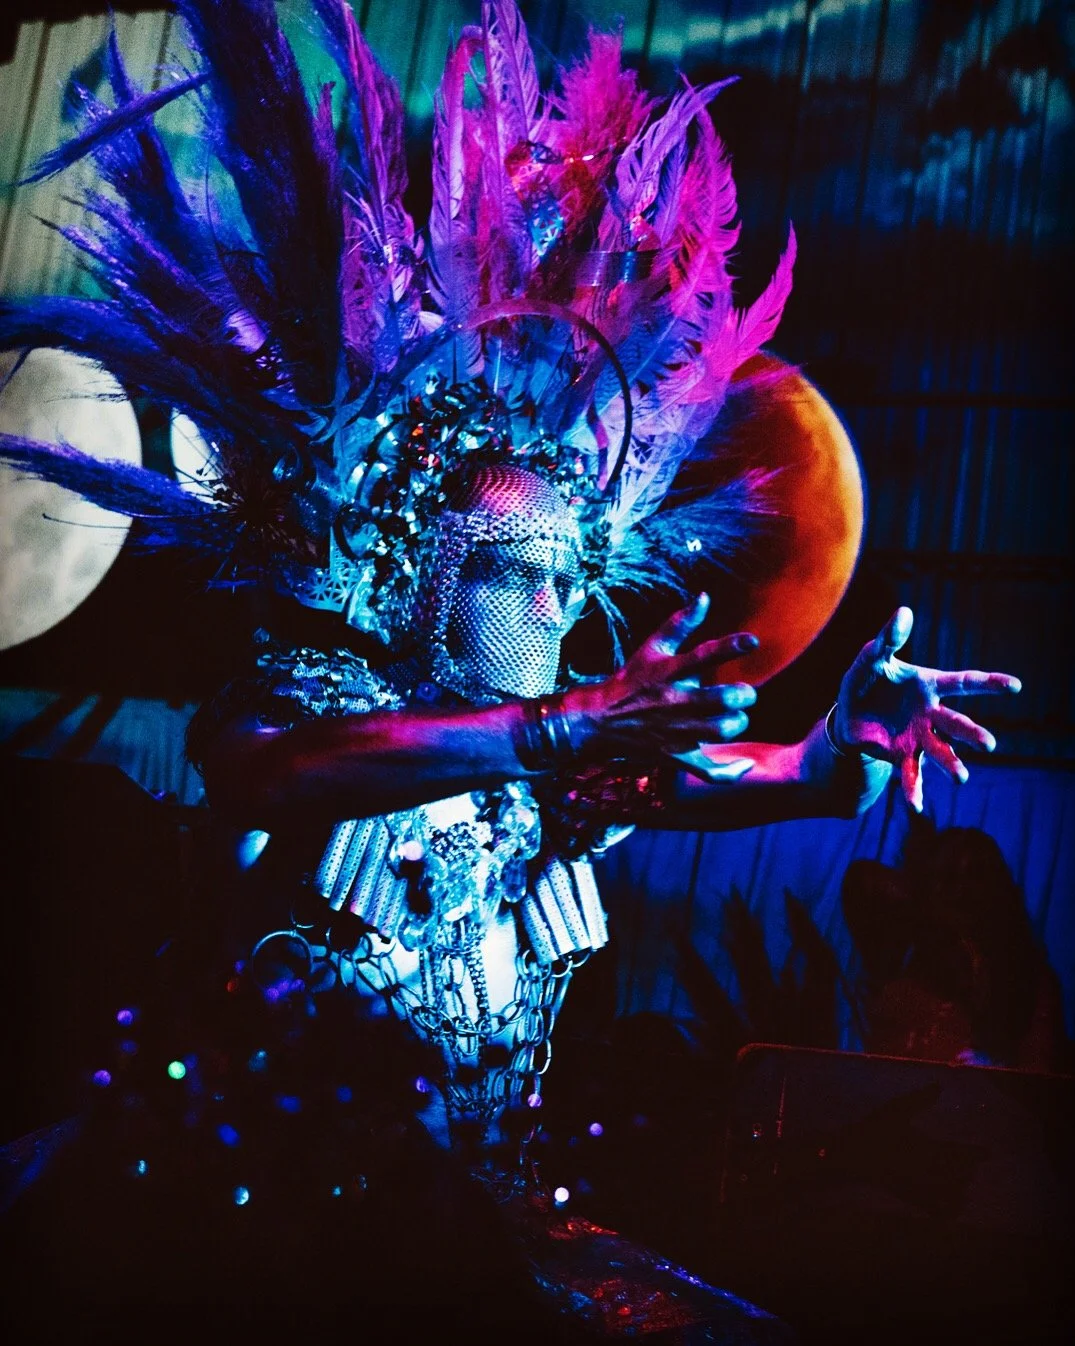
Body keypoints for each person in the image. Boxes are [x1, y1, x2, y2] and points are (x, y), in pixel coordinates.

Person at [0, 1, 1020, 1336]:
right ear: (426, 580)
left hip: (493, 1236)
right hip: (259, 1245)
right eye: (518, 571)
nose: (556, 608)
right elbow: (260, 760)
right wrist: (556, 729)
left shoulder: (542, 766)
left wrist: (835, 752)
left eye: (571, 578)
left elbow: (721, 771)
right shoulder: (326, 702)